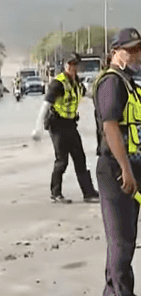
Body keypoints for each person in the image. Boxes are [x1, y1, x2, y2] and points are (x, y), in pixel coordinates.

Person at [93, 28, 141, 296]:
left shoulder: (128, 84)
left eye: (139, 50)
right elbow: (110, 127)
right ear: (116, 52)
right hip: (116, 169)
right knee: (123, 241)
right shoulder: (111, 83)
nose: (137, 55)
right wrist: (126, 170)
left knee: (121, 239)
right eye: (131, 50)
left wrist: (137, 171)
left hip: (129, 168)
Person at [32, 53, 99, 203]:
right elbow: (45, 105)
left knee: (80, 158)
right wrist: (38, 128)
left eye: (75, 65)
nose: (73, 68)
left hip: (70, 124)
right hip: (57, 125)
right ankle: (56, 193)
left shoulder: (76, 82)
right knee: (62, 160)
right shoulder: (58, 83)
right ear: (65, 65)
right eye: (70, 65)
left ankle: (89, 193)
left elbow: (87, 93)